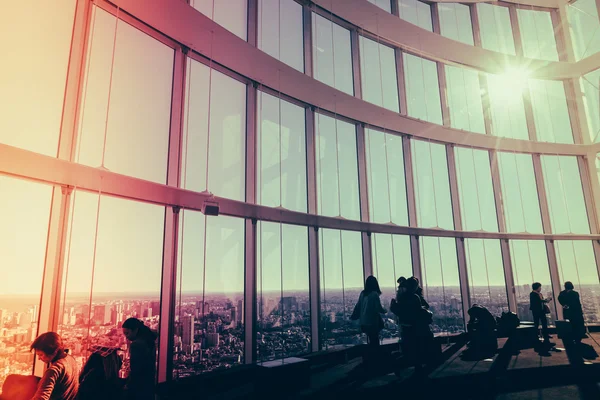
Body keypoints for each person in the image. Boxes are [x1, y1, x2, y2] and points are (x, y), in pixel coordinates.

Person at [394, 277, 434, 375]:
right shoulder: (415, 297)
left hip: (405, 326)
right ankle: (417, 367)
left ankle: (402, 365)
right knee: (417, 347)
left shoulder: (402, 297)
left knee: (411, 348)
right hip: (415, 326)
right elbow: (418, 312)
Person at [30, 332, 79, 400]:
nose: (39, 358)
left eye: (41, 355)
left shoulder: (54, 370)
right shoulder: (71, 359)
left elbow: (41, 398)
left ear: (54, 352)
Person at [122, 318, 157, 400]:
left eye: (127, 333)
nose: (126, 337)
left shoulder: (136, 345)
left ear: (135, 330)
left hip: (138, 387)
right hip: (148, 385)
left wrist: (128, 385)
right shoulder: (149, 340)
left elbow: (136, 370)